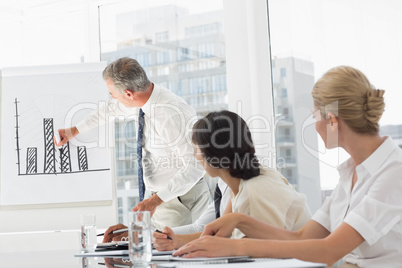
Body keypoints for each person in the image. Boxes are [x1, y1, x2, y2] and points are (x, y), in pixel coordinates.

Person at [173, 66, 402, 267]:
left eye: (315, 118)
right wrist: (238, 220)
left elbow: (328, 250)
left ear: (332, 121)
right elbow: (303, 237)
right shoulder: (351, 173)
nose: (314, 127)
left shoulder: (393, 171)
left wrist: (236, 247)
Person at [56, 57, 210, 231]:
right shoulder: (142, 100)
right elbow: (109, 110)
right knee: (155, 253)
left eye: (113, 95)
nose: (113, 99)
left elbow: (197, 165)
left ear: (128, 94)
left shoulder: (169, 113)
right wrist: (75, 130)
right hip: (160, 199)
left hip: (180, 199)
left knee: (175, 254)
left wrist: (156, 200)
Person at [153, 110, 311, 251]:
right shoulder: (241, 184)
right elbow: (219, 237)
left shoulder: (255, 191)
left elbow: (265, 254)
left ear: (214, 156)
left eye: (197, 149)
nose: (195, 156)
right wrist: (175, 241)